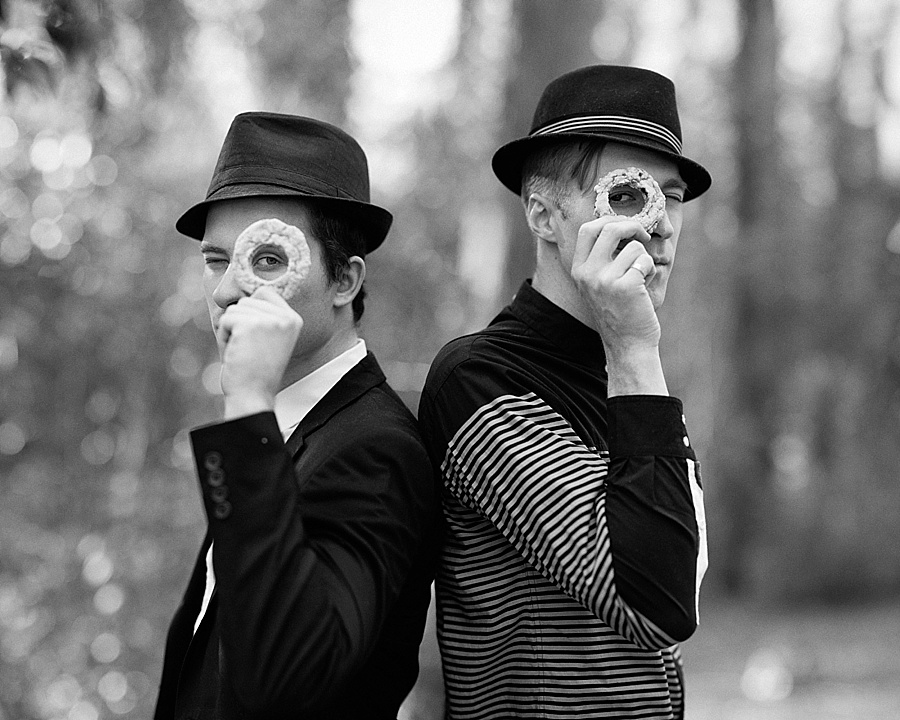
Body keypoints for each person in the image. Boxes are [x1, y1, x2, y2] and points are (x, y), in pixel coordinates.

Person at [418, 65, 711, 719]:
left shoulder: (631, 380)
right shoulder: (482, 381)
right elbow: (657, 605)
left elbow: (683, 584)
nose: (662, 226)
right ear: (543, 213)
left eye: (674, 195)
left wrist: (634, 360)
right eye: (631, 196)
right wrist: (636, 352)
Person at [153, 113, 439, 720]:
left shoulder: (376, 449)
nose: (227, 290)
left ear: (344, 279)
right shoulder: (289, 429)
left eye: (265, 260)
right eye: (214, 259)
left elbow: (283, 683)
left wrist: (248, 405)